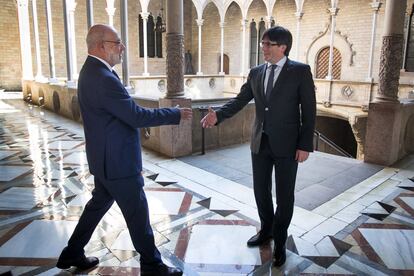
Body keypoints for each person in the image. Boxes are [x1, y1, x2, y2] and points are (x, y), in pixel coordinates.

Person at [56, 24, 191, 276]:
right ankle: (153, 267)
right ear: (100, 46)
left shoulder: (91, 71)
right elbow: (136, 116)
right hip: (118, 164)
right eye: (117, 42)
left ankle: (73, 251)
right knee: (138, 215)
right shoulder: (104, 78)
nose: (122, 48)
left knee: (97, 206)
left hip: (104, 160)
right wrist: (174, 113)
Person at [201, 26, 316, 267]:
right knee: (260, 191)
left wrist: (305, 144)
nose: (263, 48)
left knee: (285, 197)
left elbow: (309, 110)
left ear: (282, 47)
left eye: (268, 44)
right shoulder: (256, 72)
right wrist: (218, 116)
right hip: (259, 142)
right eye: (263, 44)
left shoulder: (300, 72)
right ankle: (266, 231)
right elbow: (240, 100)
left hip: (287, 145)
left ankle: (281, 242)